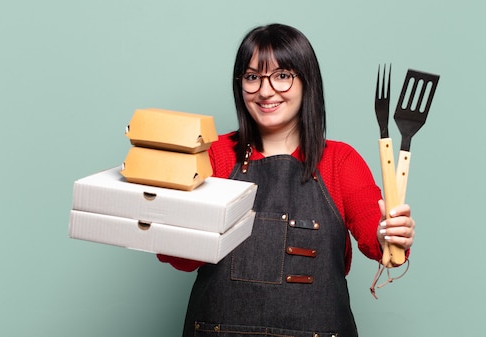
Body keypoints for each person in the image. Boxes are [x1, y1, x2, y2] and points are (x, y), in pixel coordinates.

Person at [157, 23, 415, 337]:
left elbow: (378, 237)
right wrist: (162, 220)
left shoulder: (340, 161)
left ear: (308, 82)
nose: (265, 91)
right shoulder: (214, 157)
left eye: (282, 76)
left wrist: (390, 235)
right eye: (252, 77)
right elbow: (181, 258)